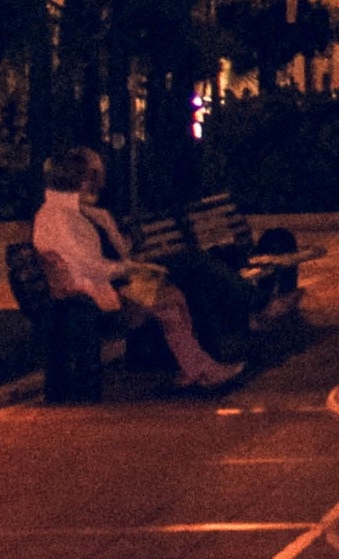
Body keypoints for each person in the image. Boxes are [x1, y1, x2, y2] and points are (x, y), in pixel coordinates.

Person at [29, 151, 244, 394]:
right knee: (178, 288)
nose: (101, 181)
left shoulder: (76, 213)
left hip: (102, 288)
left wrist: (124, 249)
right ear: (82, 178)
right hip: (93, 295)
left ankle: (199, 368)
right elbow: (90, 266)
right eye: (95, 174)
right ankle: (203, 366)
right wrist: (133, 267)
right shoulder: (63, 217)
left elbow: (108, 254)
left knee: (175, 292)